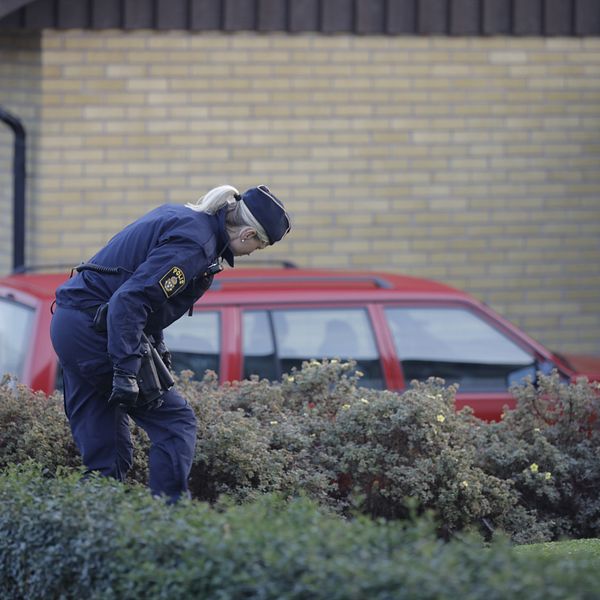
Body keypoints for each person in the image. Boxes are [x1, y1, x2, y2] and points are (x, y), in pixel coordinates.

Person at [50, 184, 291, 502]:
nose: (253, 253)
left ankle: (75, 534)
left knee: (106, 461)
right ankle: (169, 525)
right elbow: (130, 300)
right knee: (176, 424)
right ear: (247, 234)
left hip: (72, 324)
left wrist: (156, 345)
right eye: (259, 246)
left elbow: (143, 292)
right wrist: (125, 368)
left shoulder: (186, 218)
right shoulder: (196, 244)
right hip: (98, 332)